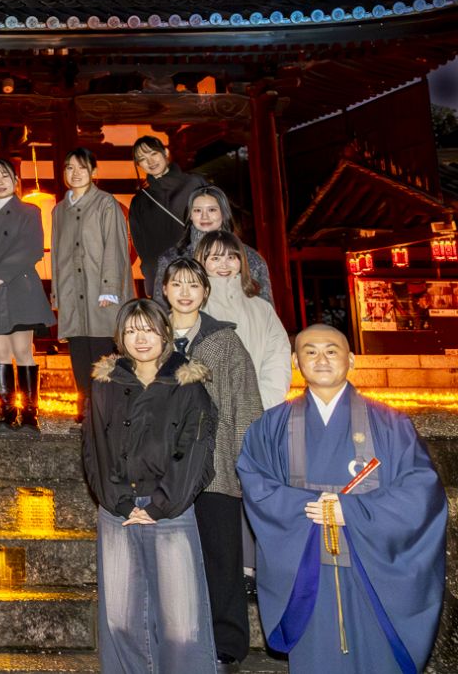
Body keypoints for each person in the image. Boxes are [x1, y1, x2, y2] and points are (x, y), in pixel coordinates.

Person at [239, 324, 447, 674]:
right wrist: (309, 507)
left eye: (331, 351)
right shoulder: (271, 426)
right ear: (295, 361)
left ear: (351, 360)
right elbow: (256, 480)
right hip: (306, 570)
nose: (321, 359)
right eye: (310, 352)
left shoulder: (390, 423)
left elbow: (421, 489)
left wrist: (353, 510)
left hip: (374, 568)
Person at [81, 297, 218, 674]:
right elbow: (94, 448)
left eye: (148, 330)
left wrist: (159, 505)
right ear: (119, 338)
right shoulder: (105, 383)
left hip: (170, 508)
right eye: (130, 331)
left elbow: (196, 450)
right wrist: (121, 503)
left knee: (181, 622)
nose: (140, 339)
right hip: (118, 508)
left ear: (165, 333)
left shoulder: (187, 383)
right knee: (121, 618)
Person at [162, 256, 263, 673]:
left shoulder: (224, 341)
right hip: (165, 471)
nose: (185, 293)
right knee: (173, 562)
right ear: (164, 290)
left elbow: (246, 406)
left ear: (205, 292)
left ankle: (227, 647)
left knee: (222, 560)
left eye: (193, 285)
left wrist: (244, 465)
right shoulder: (149, 336)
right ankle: (176, 639)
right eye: (177, 284)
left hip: (216, 468)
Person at [0, 158, 50, 433]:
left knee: (23, 350)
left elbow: (31, 249)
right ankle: (7, 413)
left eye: (5, 176)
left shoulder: (29, 212)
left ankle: (29, 414)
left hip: (19, 288)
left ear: (16, 181)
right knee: (0, 352)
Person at [51, 147, 131, 423]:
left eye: (82, 167)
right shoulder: (59, 211)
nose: (75, 173)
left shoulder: (106, 203)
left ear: (94, 171)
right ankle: (85, 406)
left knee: (103, 348)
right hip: (72, 291)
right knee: (78, 349)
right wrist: (57, 294)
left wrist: (109, 286)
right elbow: (57, 255)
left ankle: (107, 409)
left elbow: (116, 247)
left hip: (100, 291)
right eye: (69, 168)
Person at [197, 229, 292, 410]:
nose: (224, 264)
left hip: (258, 407)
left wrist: (264, 403)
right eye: (215, 258)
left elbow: (277, 357)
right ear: (202, 262)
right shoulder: (193, 308)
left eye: (231, 257)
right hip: (208, 413)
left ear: (241, 261)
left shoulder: (262, 309)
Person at [153, 184, 272, 305]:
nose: (205, 216)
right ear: (190, 216)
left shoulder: (249, 257)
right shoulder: (171, 258)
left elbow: (265, 308)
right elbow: (160, 309)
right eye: (197, 210)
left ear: (224, 213)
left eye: (212, 210)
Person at [127, 135, 207, 295]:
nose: (150, 161)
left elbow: (218, 221)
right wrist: (150, 270)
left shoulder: (194, 184)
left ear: (165, 152)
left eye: (153, 154)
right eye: (142, 159)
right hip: (162, 277)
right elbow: (141, 244)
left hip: (198, 270)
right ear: (138, 165)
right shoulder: (140, 201)